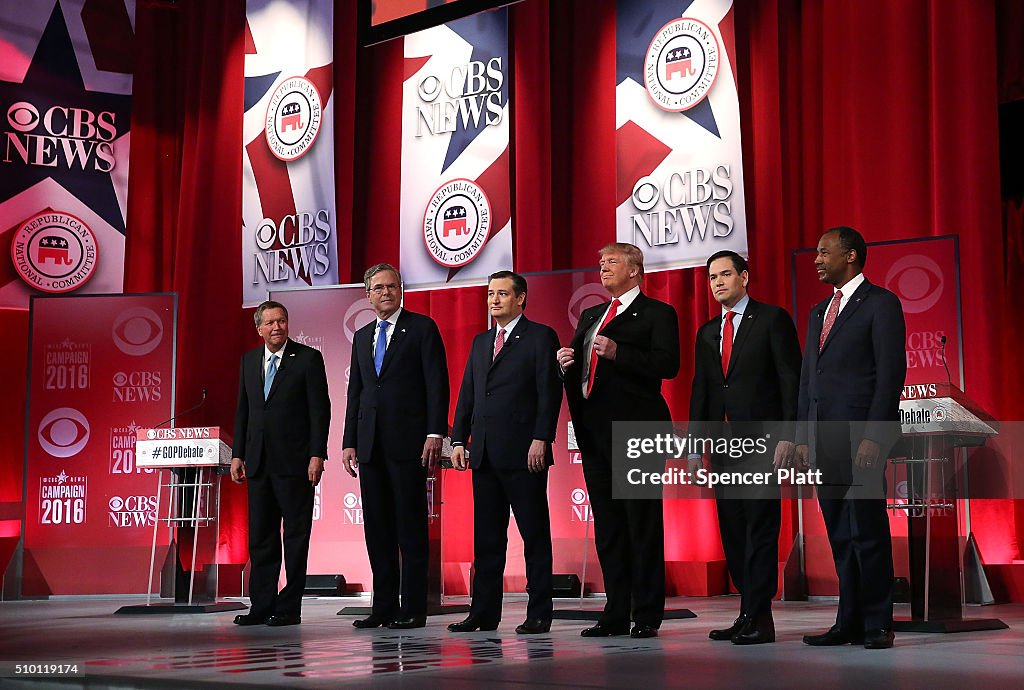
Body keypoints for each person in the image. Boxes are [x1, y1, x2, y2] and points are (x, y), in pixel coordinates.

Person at [556, 242, 680, 639]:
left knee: (641, 523)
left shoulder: (658, 313)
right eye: (600, 262)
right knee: (609, 526)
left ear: (635, 269)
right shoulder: (592, 315)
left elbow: (668, 364)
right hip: (595, 435)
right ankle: (615, 610)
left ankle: (645, 613)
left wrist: (619, 352)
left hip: (638, 432)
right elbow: (583, 374)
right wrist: (566, 365)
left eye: (611, 262)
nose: (602, 267)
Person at [795, 226, 906, 650]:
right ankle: (849, 621)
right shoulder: (817, 311)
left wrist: (874, 436)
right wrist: (804, 435)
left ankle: (878, 622)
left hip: (860, 434)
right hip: (824, 439)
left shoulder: (880, 304)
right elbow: (809, 379)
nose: (818, 259)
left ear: (852, 256)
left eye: (825, 252)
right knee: (840, 533)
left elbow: (890, 374)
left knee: (868, 531)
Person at [688, 250, 802, 645]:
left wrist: (791, 435)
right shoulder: (707, 332)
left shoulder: (771, 320)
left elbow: (791, 381)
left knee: (760, 528)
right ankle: (745, 611)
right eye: (712, 277)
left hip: (763, 443)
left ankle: (761, 617)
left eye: (725, 275)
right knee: (733, 529)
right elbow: (701, 390)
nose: (718, 282)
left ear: (745, 277)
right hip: (722, 446)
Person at [448, 271, 562, 635]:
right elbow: (468, 393)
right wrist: (457, 440)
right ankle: (483, 613)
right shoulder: (482, 342)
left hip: (524, 453)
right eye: (490, 294)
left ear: (521, 298)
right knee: (487, 541)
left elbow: (549, 392)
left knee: (534, 536)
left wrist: (541, 438)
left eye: (502, 294)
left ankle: (539, 612)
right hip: (482, 453)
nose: (494, 300)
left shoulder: (540, 336)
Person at [342, 263, 450, 630]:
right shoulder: (361, 336)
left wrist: (435, 432)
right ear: (368, 295)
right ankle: (383, 606)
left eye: (392, 286)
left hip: (409, 445)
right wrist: (348, 442)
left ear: (401, 290)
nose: (386, 292)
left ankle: (414, 607)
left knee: (410, 529)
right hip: (369, 446)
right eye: (379, 288)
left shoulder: (421, 328)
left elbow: (437, 383)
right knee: (378, 530)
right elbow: (355, 391)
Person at [230, 300, 330, 627]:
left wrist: (317, 454)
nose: (277, 327)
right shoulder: (248, 361)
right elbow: (244, 411)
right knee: (261, 537)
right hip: (258, 463)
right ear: (258, 329)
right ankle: (261, 605)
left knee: (296, 538)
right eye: (270, 323)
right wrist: (238, 454)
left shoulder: (307, 359)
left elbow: (320, 411)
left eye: (282, 321)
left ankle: (288, 607)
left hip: (296, 464)